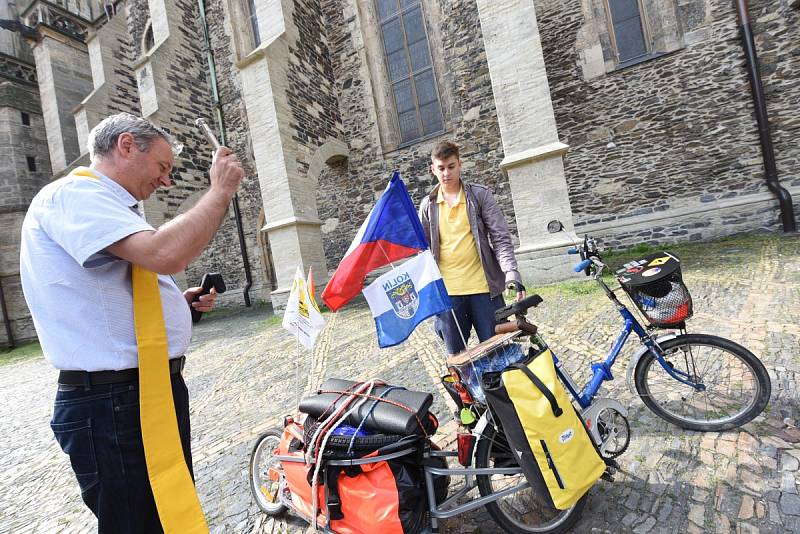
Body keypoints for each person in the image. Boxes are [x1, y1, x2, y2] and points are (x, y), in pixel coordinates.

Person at [19, 112, 244, 532]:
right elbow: (163, 254)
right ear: (125, 146)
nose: (165, 181)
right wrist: (220, 191)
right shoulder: (72, 195)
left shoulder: (106, 206)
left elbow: (113, 295)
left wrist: (181, 305)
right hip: (113, 402)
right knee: (139, 524)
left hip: (139, 391)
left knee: (166, 514)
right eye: (162, 167)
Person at [418, 141, 525, 356]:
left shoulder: (479, 196)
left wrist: (512, 274)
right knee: (457, 357)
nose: (446, 173)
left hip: (484, 290)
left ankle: (499, 390)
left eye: (451, 166)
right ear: (433, 169)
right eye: (441, 168)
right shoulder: (427, 206)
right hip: (448, 295)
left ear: (460, 164)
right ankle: (468, 390)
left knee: (498, 350)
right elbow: (424, 251)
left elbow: (500, 237)